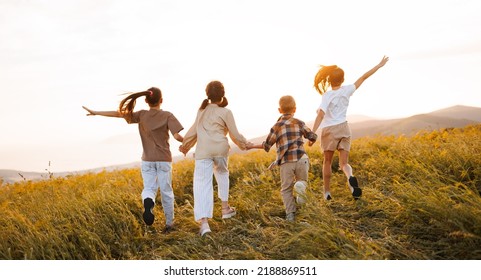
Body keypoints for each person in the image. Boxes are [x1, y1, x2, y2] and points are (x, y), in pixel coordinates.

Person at [82, 87, 184, 233]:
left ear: (146, 101)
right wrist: (189, 143)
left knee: (149, 188)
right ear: (161, 100)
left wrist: (96, 112)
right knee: (166, 191)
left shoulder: (142, 115)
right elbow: (177, 137)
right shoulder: (168, 115)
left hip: (147, 160)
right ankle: (169, 225)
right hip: (163, 160)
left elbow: (119, 114)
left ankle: (148, 201)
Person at [310, 56, 389, 200]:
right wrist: (379, 65)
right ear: (343, 79)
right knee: (344, 163)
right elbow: (364, 77)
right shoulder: (347, 90)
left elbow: (321, 114)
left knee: (327, 162)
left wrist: (312, 133)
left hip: (330, 130)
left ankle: (327, 193)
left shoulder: (327, 95)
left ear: (329, 80)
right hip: (344, 128)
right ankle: (350, 177)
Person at [179, 81, 250, 236]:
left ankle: (204, 224)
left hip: (204, 150)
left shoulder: (201, 111)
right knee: (223, 173)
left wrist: (185, 145)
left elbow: (193, 130)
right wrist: (245, 144)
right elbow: (235, 134)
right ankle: (225, 209)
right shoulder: (226, 112)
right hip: (220, 148)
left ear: (208, 95)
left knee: (202, 184)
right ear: (222, 94)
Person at [246, 95, 318, 222]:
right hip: (302, 158)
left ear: (279, 110)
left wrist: (251, 146)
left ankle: (291, 215)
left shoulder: (276, 126)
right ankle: (303, 201)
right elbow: (312, 135)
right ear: (295, 109)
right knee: (303, 183)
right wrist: (311, 140)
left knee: (286, 189)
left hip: (286, 162)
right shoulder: (299, 122)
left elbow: (267, 145)